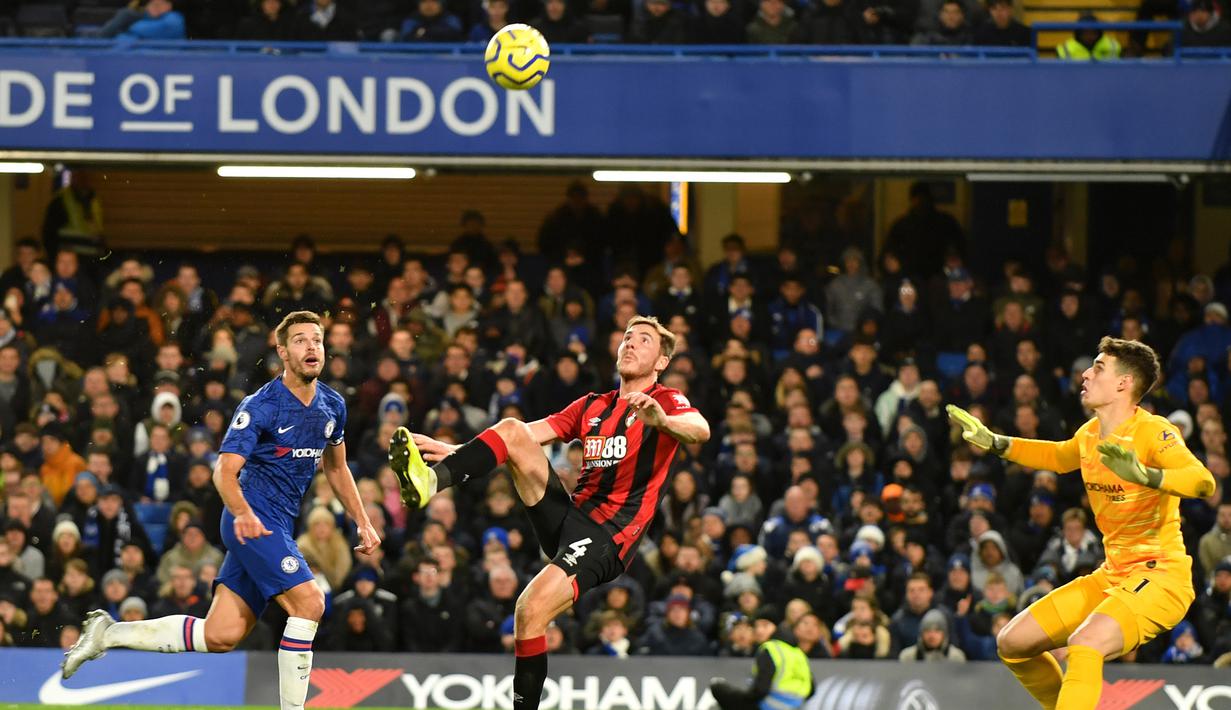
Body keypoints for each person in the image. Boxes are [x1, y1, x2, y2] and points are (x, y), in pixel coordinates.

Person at [62, 311, 380, 710]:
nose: (312, 346)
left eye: (316, 339)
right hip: (250, 520)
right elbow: (224, 472)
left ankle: (106, 634)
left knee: (220, 635)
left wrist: (363, 521)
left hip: (275, 524)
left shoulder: (333, 405)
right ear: (282, 352)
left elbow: (336, 467)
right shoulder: (261, 406)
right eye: (300, 340)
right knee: (311, 603)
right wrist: (243, 512)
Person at [392, 315, 709, 710]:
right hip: (569, 518)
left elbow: (700, 429)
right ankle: (431, 483)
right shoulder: (593, 405)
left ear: (661, 361)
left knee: (529, 610)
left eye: (644, 340)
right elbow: (523, 438)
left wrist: (662, 421)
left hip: (609, 536)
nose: (630, 343)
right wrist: (458, 453)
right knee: (511, 428)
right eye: (627, 337)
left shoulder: (666, 400)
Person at [948, 337, 1215, 709]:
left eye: (1099, 367)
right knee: (1013, 643)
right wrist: (996, 443)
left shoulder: (1154, 431)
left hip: (1161, 577)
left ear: (1124, 383)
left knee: (1085, 642)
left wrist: (1146, 475)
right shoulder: (1090, 434)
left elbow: (1203, 481)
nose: (1086, 374)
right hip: (1112, 575)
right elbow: (1058, 456)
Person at [709, 613, 814, 710]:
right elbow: (812, 689)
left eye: (765, 625)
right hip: (799, 707)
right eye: (756, 626)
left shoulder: (770, 649)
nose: (759, 631)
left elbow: (760, 690)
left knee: (718, 689)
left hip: (769, 706)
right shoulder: (798, 653)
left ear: (776, 627)